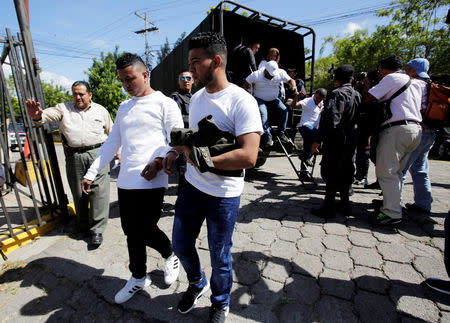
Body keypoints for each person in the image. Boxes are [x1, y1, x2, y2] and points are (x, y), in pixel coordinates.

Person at [163, 32, 262, 323]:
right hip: (192, 187)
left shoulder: (242, 101)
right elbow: (194, 142)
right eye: (189, 62)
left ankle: (220, 302)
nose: (190, 69)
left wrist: (203, 159)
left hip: (224, 196)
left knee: (220, 256)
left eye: (195, 61)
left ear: (215, 61)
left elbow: (249, 156)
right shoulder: (195, 100)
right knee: (180, 245)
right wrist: (176, 153)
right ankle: (197, 283)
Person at [81, 53, 183, 304]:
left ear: (145, 75)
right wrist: (92, 172)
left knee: (146, 229)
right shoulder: (124, 107)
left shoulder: (165, 103)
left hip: (152, 178)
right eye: (122, 81)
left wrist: (161, 159)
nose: (126, 85)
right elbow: (111, 143)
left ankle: (171, 255)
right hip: (126, 181)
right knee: (131, 232)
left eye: (130, 79)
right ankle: (138, 276)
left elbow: (177, 141)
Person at [25, 81, 113, 247]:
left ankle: (97, 230)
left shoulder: (101, 110)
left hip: (98, 155)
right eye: (74, 94)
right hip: (74, 157)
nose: (77, 97)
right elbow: (45, 115)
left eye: (81, 94)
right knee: (79, 193)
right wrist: (37, 115)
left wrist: (118, 153)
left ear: (90, 95)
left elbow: (113, 132)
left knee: (99, 193)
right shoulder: (63, 108)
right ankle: (83, 225)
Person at [364, 55, 425, 226]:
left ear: (383, 69)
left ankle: (391, 214)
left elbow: (368, 98)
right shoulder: (415, 82)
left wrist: (369, 84)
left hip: (396, 130)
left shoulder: (392, 78)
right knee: (397, 172)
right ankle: (392, 205)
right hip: (415, 129)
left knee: (387, 172)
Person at [311, 65, 361, 219]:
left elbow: (330, 119)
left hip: (336, 141)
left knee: (331, 173)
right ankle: (345, 205)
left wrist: (318, 140)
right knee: (346, 172)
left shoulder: (337, 94)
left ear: (336, 79)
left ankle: (328, 208)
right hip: (351, 140)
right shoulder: (357, 95)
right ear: (351, 79)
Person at [401, 58, 434, 214]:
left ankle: (393, 204)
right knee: (421, 169)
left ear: (414, 70)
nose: (405, 70)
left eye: (408, 68)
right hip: (431, 133)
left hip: (418, 132)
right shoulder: (431, 85)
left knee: (401, 169)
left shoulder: (414, 85)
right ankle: (424, 204)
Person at [244, 60, 297, 147]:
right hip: (260, 99)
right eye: (270, 74)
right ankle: (267, 136)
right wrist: (248, 97)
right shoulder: (257, 74)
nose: (272, 76)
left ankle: (281, 133)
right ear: (266, 70)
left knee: (284, 111)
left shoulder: (280, 73)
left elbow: (291, 80)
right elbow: (245, 84)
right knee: (263, 114)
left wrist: (294, 87)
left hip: (273, 99)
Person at [292, 88, 327, 179]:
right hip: (305, 126)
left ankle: (303, 173)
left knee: (308, 149)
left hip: (314, 129)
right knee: (318, 136)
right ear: (314, 95)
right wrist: (296, 97)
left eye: (320, 98)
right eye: (316, 97)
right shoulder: (308, 101)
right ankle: (304, 157)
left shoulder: (322, 104)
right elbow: (295, 105)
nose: (317, 99)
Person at [171, 71, 194, 190]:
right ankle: (182, 199)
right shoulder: (175, 97)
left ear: (193, 80)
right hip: (184, 141)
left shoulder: (195, 98)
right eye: (182, 78)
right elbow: (176, 119)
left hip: (195, 139)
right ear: (178, 82)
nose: (186, 80)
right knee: (184, 170)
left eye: (188, 78)